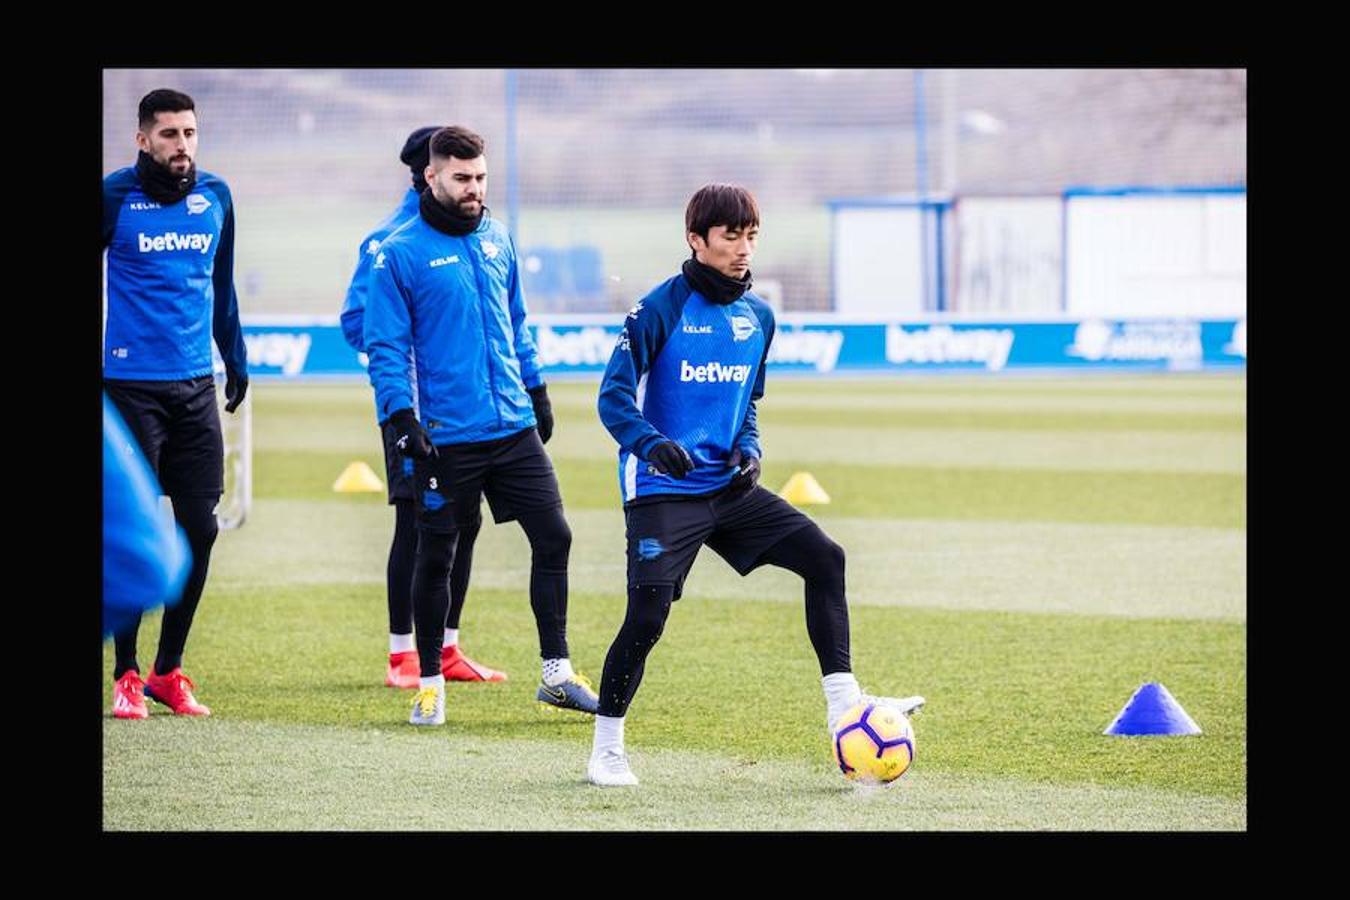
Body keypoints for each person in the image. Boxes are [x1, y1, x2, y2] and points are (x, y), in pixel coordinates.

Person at [587, 184, 925, 786]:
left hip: (730, 490)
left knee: (826, 558)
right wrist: (651, 444)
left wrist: (750, 449)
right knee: (648, 616)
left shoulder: (758, 317)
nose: (743, 249)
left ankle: (843, 705)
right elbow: (612, 398)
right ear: (696, 240)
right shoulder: (658, 310)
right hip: (663, 491)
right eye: (730, 237)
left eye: (751, 236)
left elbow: (747, 402)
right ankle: (606, 749)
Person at [363, 125, 598, 726]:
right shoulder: (398, 252)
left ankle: (556, 673)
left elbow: (516, 320)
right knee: (436, 553)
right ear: (432, 177)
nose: (474, 189)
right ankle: (430, 684)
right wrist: (400, 416)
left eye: (481, 178)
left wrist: (537, 386)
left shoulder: (498, 237)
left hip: (512, 426)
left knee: (555, 536)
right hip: (447, 434)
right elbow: (385, 344)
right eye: (462, 178)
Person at [340, 126, 506, 690]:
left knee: (468, 521)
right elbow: (357, 323)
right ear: (424, 174)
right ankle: (402, 654)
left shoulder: (473, 231)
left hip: (470, 409)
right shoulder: (390, 240)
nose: (468, 182)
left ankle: (449, 646)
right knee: (416, 521)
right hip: (415, 407)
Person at [102, 88, 249, 719]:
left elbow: (223, 285)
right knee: (136, 529)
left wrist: (234, 357)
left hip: (195, 389)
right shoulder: (112, 197)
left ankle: (169, 670)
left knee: (202, 527)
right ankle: (126, 673)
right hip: (128, 388)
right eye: (169, 135)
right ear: (143, 140)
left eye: (189, 133)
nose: (182, 145)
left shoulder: (215, 197)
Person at [104, 394, 192, 647]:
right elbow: (146, 570)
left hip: (192, 384)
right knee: (148, 567)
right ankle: (126, 669)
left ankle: (167, 668)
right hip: (133, 385)